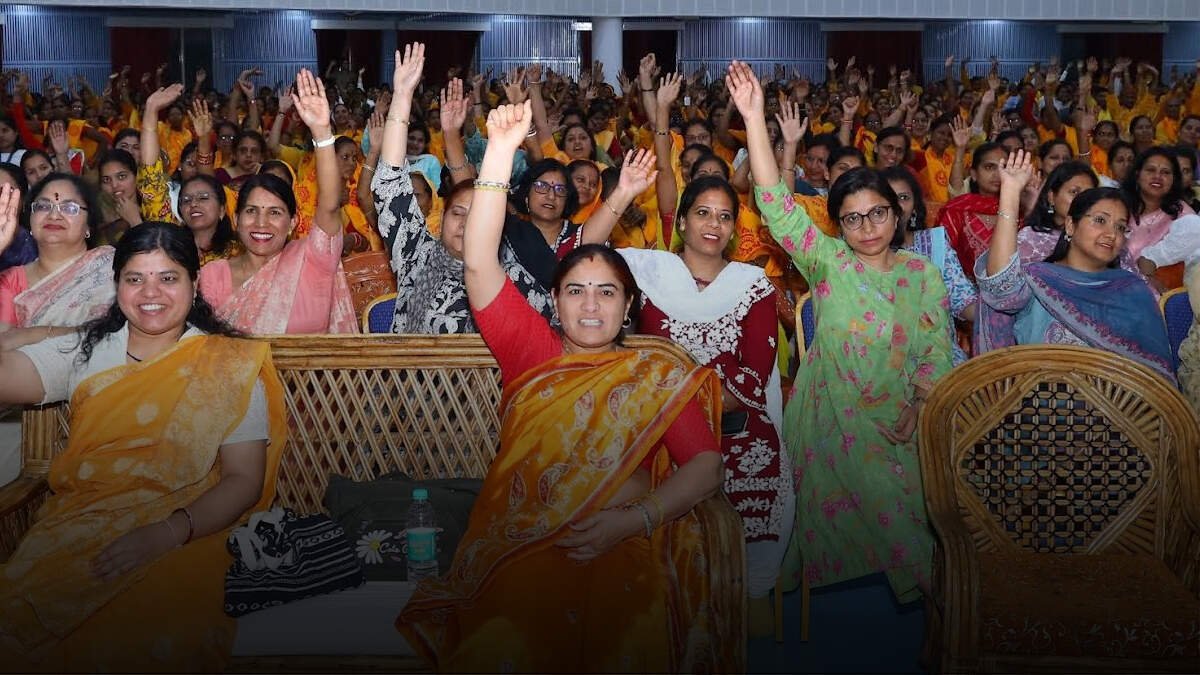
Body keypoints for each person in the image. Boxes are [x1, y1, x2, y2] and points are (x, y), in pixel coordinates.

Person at [397, 102, 733, 672]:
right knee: (510, 640)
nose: (591, 305)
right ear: (554, 302)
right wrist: (499, 152)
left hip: (625, 540)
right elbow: (479, 263)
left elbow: (706, 466)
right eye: (576, 291)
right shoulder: (533, 350)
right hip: (523, 544)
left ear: (628, 306)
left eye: (607, 292)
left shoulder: (654, 375)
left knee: (628, 629)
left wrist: (632, 520)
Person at [0, 216, 287, 672]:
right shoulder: (87, 352)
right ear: (116, 286)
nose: (150, 293)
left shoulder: (227, 365)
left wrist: (166, 534)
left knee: (144, 635)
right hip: (76, 529)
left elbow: (243, 480)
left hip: (185, 536)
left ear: (195, 284)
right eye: (135, 279)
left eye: (168, 278)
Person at [729, 60, 953, 603]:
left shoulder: (921, 274)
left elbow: (934, 348)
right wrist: (755, 119)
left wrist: (921, 404)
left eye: (878, 214)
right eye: (853, 218)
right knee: (866, 488)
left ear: (898, 216)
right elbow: (775, 205)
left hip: (900, 410)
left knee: (913, 499)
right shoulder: (828, 261)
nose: (867, 227)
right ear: (838, 224)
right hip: (833, 408)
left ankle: (934, 605)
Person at [593, 157, 792, 633]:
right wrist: (622, 195)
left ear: (734, 230)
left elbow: (753, 376)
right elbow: (583, 252)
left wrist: (694, 399)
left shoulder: (752, 285)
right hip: (652, 415)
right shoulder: (646, 271)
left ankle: (750, 589)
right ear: (681, 222)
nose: (713, 224)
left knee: (758, 447)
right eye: (703, 213)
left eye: (724, 216)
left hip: (731, 416)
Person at [974, 150, 1173, 380]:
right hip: (1037, 397)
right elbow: (1000, 289)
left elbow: (1154, 377)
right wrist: (1010, 193)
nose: (1112, 234)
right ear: (1070, 225)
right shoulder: (1039, 281)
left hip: (1113, 400)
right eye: (1100, 220)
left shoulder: (1132, 291)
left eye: (1120, 227)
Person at [198, 70, 358, 334]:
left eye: (274, 213)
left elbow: (329, 205)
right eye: (252, 211)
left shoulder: (312, 260)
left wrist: (322, 132)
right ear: (236, 219)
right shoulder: (213, 276)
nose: (261, 223)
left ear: (293, 222)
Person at [0, 173, 113, 349]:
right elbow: (3, 344)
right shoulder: (9, 281)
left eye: (69, 208)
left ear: (89, 225)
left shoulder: (112, 266)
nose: (54, 215)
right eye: (43, 206)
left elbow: (122, 333)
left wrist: (32, 334)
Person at [885, 166, 977, 364]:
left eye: (903, 198)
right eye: (888, 197)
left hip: (938, 356)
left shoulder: (934, 244)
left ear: (915, 206)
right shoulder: (862, 249)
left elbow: (963, 301)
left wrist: (1003, 305)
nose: (896, 206)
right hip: (880, 357)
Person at [1122, 147, 1195, 292]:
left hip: (1157, 295)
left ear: (1174, 179)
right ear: (1137, 174)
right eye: (1151, 170)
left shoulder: (1183, 215)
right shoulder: (1119, 206)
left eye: (1165, 172)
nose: (1158, 176)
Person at [936, 142, 1008, 282]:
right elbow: (941, 257)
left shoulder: (1018, 212)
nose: (998, 174)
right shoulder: (956, 210)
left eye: (1004, 167)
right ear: (974, 174)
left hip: (1009, 291)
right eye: (989, 167)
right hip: (960, 289)